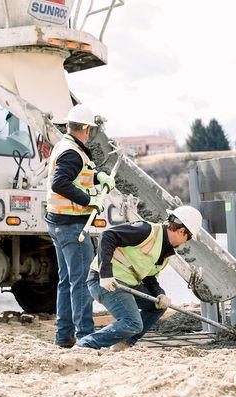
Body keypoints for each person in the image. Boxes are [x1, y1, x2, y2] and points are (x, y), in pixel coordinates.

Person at [76, 206, 203, 350]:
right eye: (189, 237)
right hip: (104, 282)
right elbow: (107, 236)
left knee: (157, 306)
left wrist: (159, 294)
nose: (186, 242)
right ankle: (85, 345)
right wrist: (105, 274)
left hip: (127, 284)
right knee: (133, 323)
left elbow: (149, 277)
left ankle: (123, 343)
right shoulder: (146, 231)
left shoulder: (165, 252)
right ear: (181, 231)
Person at [45, 104, 115, 348]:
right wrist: (90, 200)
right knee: (82, 282)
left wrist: (99, 177)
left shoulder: (67, 147)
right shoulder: (72, 153)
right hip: (72, 226)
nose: (89, 134)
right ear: (85, 129)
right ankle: (85, 336)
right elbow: (60, 182)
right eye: (89, 130)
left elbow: (78, 173)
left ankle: (64, 336)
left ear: (68, 126)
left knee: (66, 281)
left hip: (59, 223)